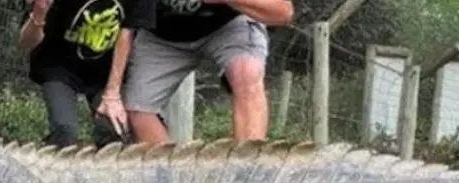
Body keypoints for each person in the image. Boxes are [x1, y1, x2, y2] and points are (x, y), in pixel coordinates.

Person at [97, 0, 294, 144]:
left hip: (229, 26)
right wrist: (112, 93)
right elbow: (127, 25)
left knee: (247, 74)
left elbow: (283, 12)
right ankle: (174, 178)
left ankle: (249, 172)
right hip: (161, 36)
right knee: (136, 109)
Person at [19, 0, 125, 147]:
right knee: (64, 131)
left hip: (105, 72)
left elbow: (129, 33)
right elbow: (25, 43)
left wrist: (113, 92)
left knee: (113, 132)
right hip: (58, 66)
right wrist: (39, 15)